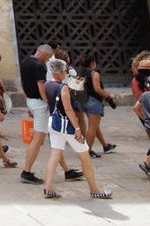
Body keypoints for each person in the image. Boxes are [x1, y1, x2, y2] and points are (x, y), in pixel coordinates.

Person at [41, 59, 112, 200]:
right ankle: (94, 189)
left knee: (55, 155)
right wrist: (78, 128)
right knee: (85, 157)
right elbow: (68, 109)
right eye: (65, 71)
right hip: (67, 126)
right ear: (61, 72)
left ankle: (48, 187)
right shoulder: (63, 88)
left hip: (53, 124)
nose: (66, 73)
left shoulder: (47, 84)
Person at [19, 45, 83, 185]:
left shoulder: (25, 62)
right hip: (41, 105)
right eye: (47, 57)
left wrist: (28, 102)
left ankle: (67, 171)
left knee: (54, 136)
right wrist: (49, 103)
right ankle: (27, 171)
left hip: (32, 101)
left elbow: (23, 84)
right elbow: (42, 88)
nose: (47, 60)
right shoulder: (39, 66)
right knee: (38, 138)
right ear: (43, 53)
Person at [77, 53, 118, 157]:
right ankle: (88, 150)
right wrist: (109, 94)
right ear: (92, 63)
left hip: (83, 100)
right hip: (94, 101)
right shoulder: (94, 74)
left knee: (94, 126)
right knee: (92, 127)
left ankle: (105, 145)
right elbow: (97, 89)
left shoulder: (79, 73)